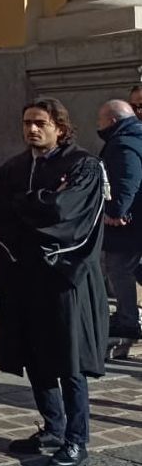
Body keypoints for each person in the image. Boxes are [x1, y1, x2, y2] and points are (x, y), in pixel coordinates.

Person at [0, 99, 109, 466]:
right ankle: (53, 428)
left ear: (60, 126)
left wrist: (30, 204)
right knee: (36, 357)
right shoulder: (14, 168)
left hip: (65, 275)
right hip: (25, 273)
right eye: (27, 123)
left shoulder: (82, 166)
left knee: (68, 360)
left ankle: (78, 439)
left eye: (40, 123)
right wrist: (40, 204)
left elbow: (67, 213)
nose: (32, 130)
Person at [98, 99, 142, 345]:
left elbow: (128, 180)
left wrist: (115, 211)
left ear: (112, 121)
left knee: (118, 267)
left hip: (130, 224)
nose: (99, 125)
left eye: (100, 121)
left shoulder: (123, 144)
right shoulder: (136, 137)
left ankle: (128, 319)